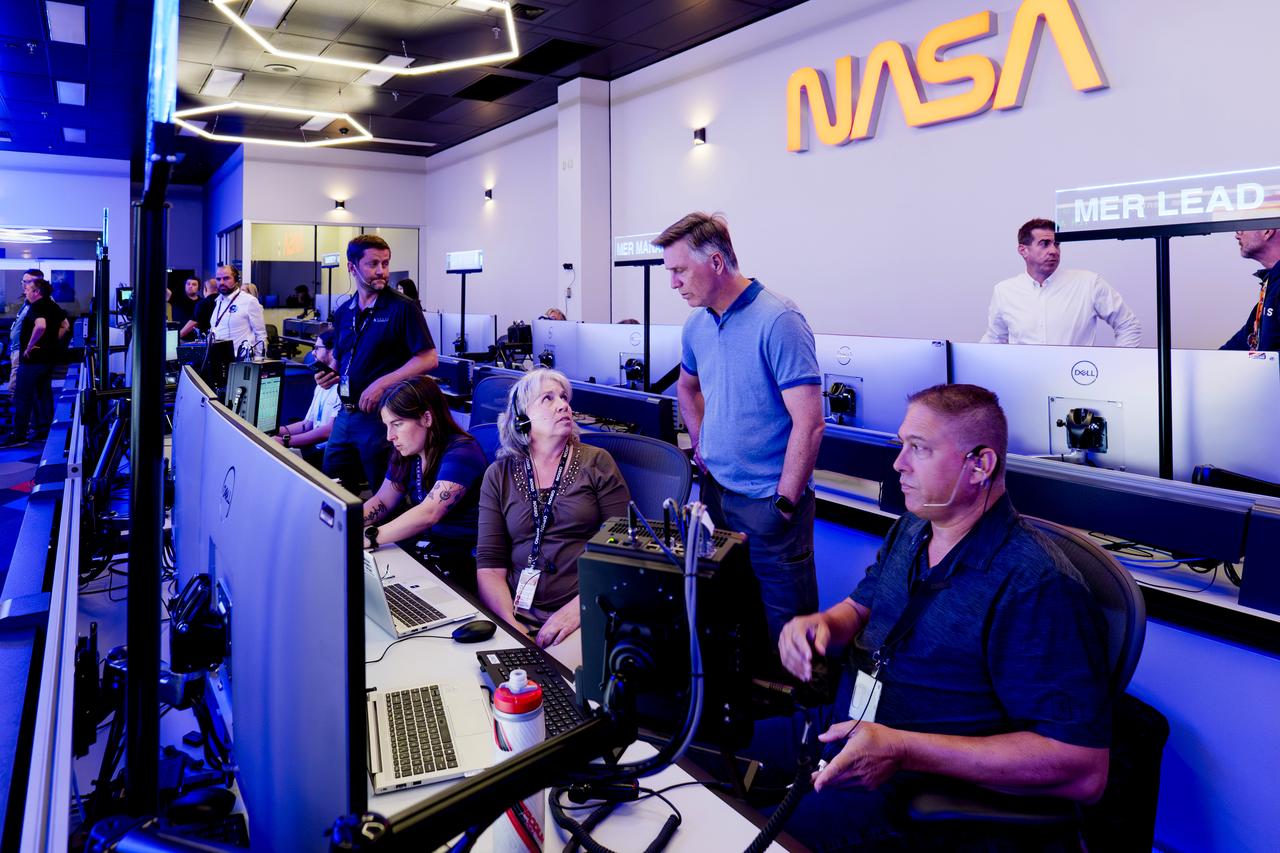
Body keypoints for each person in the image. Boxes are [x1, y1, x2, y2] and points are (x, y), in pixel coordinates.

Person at [775, 384, 1111, 851]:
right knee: (717, 751)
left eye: (919, 449)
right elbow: (863, 605)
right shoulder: (916, 524)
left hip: (917, 783)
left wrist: (902, 748)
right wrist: (824, 625)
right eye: (901, 445)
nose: (899, 464)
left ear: (980, 465)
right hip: (851, 727)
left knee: (771, 829)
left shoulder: (1037, 588)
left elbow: (1083, 770)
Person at [655, 211, 824, 642]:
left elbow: (810, 422)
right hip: (717, 495)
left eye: (678, 270)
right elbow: (686, 389)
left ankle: (808, 711)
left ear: (715, 262)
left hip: (769, 502)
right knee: (732, 617)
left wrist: (784, 501)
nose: (673, 283)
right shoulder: (696, 324)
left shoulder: (779, 320)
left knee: (790, 632)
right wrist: (701, 444)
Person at [476, 368, 630, 667]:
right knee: (495, 680)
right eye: (547, 399)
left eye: (563, 398)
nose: (563, 405)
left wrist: (577, 610)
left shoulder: (596, 462)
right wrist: (509, 623)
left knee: (553, 683)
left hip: (584, 607)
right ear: (521, 418)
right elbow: (490, 565)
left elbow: (621, 552)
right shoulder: (500, 474)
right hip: (516, 610)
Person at [319, 234, 438, 495]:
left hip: (382, 418)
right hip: (346, 415)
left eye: (385, 263)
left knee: (386, 493)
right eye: (373, 264)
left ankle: (388, 537)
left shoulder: (403, 308)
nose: (381, 271)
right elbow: (342, 362)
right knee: (334, 488)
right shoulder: (343, 312)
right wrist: (328, 374)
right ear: (352, 267)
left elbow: (429, 358)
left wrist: (382, 384)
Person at [362, 376, 488, 590]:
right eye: (387, 426)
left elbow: (430, 513)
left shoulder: (462, 452)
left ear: (427, 418)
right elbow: (383, 500)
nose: (390, 436)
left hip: (463, 560)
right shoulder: (407, 451)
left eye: (397, 424)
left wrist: (371, 537)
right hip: (428, 548)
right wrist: (345, 526)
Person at [981, 218, 1142, 347]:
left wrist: (1117, 365)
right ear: (1023, 250)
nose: (1053, 250)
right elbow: (995, 339)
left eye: (1056, 244)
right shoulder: (1004, 291)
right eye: (1044, 244)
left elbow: (1128, 325)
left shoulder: (1089, 283)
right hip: (1023, 382)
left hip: (1075, 382)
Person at [3, 278, 68, 447]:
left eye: (28, 288)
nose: (25, 291)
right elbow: (65, 326)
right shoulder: (52, 305)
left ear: (37, 292)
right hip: (47, 359)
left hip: (33, 360)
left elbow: (40, 326)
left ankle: (19, 435)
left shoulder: (37, 306)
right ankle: (43, 431)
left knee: (23, 396)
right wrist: (51, 343)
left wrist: (30, 347)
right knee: (43, 394)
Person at [273, 331, 342, 466]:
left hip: (326, 452)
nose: (313, 353)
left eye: (317, 348)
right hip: (314, 447)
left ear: (333, 351)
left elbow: (329, 431)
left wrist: (286, 441)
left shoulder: (342, 387)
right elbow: (307, 424)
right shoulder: (321, 385)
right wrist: (276, 431)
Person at [1220, 227, 1280, 351]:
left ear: (1267, 231)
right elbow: (1235, 347)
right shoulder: (1271, 287)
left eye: (1242, 228)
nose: (1237, 235)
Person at [209, 264, 266, 358]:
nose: (222, 282)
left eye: (226, 278)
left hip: (241, 360)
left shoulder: (249, 301)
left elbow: (260, 334)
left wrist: (259, 361)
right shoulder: (218, 301)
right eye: (218, 279)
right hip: (219, 359)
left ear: (236, 280)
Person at [6, 269, 42, 391]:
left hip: (24, 350)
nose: (24, 285)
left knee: (15, 387)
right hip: (16, 348)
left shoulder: (40, 302)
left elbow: (43, 327)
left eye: (28, 282)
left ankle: (17, 408)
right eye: (23, 281)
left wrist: (31, 346)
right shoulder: (27, 300)